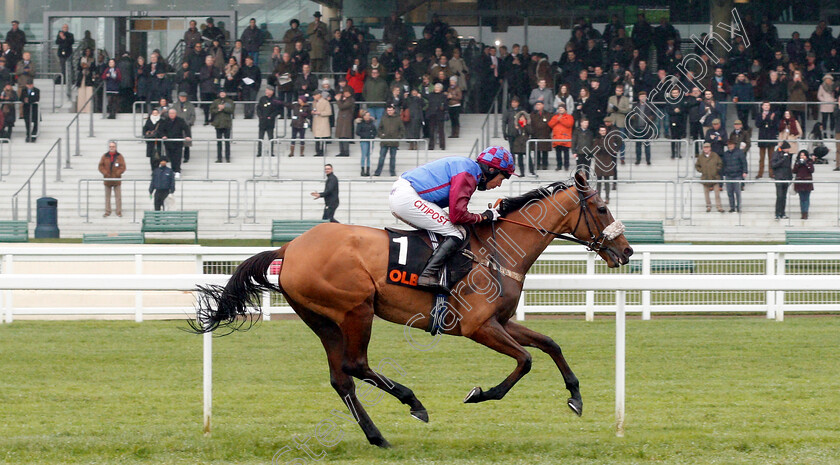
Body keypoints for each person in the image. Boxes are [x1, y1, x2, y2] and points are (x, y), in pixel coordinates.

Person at [389, 147, 514, 292]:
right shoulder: (469, 173)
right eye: (501, 179)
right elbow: (458, 216)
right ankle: (427, 275)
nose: (499, 184)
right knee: (457, 233)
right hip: (407, 197)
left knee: (449, 229)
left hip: (403, 193)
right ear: (491, 170)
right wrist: (484, 216)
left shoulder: (469, 168)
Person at [157, 108, 192, 178]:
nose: (171, 115)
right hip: (168, 142)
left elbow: (186, 128)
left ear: (175, 114)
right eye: (170, 113)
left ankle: (177, 171)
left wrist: (188, 136)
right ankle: (173, 170)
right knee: (171, 157)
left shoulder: (180, 120)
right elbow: (160, 130)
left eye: (173, 113)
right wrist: (163, 136)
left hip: (178, 142)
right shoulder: (165, 121)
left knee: (178, 157)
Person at [375, 104, 405, 176]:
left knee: (392, 158)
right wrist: (381, 135)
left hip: (394, 141)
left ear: (394, 110)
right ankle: (378, 172)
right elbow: (379, 128)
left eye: (391, 110)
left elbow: (402, 129)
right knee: (382, 158)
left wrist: (399, 137)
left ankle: (392, 172)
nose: (389, 112)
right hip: (384, 141)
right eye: (388, 110)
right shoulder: (383, 118)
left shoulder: (398, 119)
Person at [98, 141, 126, 217]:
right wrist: (105, 173)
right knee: (107, 197)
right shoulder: (104, 156)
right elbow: (100, 166)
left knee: (118, 197)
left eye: (113, 146)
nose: (111, 148)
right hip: (107, 180)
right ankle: (107, 211)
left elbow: (123, 167)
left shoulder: (120, 156)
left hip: (116, 180)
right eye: (110, 146)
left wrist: (118, 173)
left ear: (115, 147)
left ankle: (119, 212)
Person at [695, 142, 724, 213]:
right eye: (704, 147)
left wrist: (716, 169)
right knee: (706, 193)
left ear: (710, 148)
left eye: (707, 147)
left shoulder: (715, 155)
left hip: (715, 177)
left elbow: (720, 163)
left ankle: (719, 206)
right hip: (705, 177)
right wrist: (702, 170)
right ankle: (708, 206)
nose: (706, 149)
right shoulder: (701, 157)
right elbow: (697, 165)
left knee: (717, 194)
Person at [721, 139, 748, 212]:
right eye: (728, 144)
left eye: (731, 144)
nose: (729, 146)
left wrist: (745, 171)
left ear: (734, 145)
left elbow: (744, 162)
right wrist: (724, 172)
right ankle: (732, 207)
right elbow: (723, 164)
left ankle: (739, 207)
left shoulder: (739, 152)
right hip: (728, 175)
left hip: (737, 175)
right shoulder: (725, 154)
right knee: (729, 192)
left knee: (737, 192)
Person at [256, 87, 282, 157]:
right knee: (260, 137)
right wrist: (260, 116)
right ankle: (259, 152)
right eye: (266, 90)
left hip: (270, 122)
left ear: (272, 91)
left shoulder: (275, 100)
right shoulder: (262, 99)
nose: (266, 92)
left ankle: (271, 152)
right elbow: (258, 108)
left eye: (268, 90)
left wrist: (271, 116)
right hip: (262, 121)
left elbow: (277, 110)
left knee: (271, 137)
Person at [756, 102, 779, 178]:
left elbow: (776, 126)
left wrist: (771, 120)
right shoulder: (759, 115)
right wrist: (763, 118)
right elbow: (757, 125)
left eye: (768, 105)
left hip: (771, 137)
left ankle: (771, 173)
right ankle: (760, 173)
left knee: (771, 157)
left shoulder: (773, 115)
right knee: (761, 158)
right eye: (765, 105)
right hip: (762, 137)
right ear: (762, 106)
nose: (766, 107)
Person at [210, 90, 234, 163]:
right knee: (219, 142)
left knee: (227, 142)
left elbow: (231, 110)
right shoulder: (215, 101)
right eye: (221, 93)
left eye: (224, 93)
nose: (222, 94)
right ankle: (219, 158)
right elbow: (212, 110)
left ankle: (227, 157)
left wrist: (224, 108)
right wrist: (218, 109)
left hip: (227, 124)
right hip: (218, 124)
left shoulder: (229, 101)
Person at [548, 104, 574, 171]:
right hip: (557, 138)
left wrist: (561, 119)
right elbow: (550, 124)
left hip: (565, 138)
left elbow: (569, 124)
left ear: (565, 109)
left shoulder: (569, 117)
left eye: (562, 108)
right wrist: (557, 119)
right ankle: (559, 166)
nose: (560, 110)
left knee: (566, 153)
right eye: (559, 108)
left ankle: (566, 166)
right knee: (558, 154)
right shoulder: (555, 117)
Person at [172, 92, 196, 162]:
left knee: (186, 142)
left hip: (186, 126)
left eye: (184, 97)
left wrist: (190, 122)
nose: (182, 98)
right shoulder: (175, 105)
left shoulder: (190, 105)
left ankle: (186, 157)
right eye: (181, 97)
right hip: (177, 126)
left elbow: (193, 115)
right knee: (177, 142)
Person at [772, 141, 793, 219]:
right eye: (787, 149)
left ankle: (782, 213)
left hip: (786, 177)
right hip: (779, 177)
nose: (788, 150)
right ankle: (777, 213)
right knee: (779, 196)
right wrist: (782, 159)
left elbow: (788, 167)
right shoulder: (776, 154)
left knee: (784, 197)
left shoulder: (787, 155)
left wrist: (790, 178)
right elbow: (773, 165)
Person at [530, 100, 552, 170]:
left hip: (545, 134)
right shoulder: (533, 114)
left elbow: (550, 125)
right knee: (537, 151)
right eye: (536, 105)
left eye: (539, 104)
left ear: (543, 105)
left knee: (545, 151)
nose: (537, 106)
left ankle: (545, 165)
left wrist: (547, 131)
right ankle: (537, 164)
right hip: (536, 134)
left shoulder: (548, 114)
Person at [793, 150, 815, 219]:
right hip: (799, 182)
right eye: (801, 155)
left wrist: (806, 164)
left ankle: (805, 212)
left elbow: (812, 170)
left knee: (806, 198)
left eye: (803, 155)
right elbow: (794, 171)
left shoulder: (809, 162)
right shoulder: (797, 162)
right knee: (801, 198)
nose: (802, 157)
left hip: (807, 182)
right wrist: (798, 164)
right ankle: (803, 212)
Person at [199, 55, 220, 125]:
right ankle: (206, 119)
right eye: (208, 60)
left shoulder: (216, 69)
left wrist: (216, 87)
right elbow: (201, 78)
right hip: (205, 90)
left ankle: (213, 119)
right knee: (206, 106)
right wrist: (208, 75)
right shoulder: (203, 68)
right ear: (205, 61)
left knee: (213, 106)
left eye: (211, 60)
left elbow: (217, 78)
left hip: (213, 90)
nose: (210, 62)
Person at [334, 88, 355, 157]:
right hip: (341, 120)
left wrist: (338, 100)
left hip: (346, 120)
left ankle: (346, 151)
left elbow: (342, 106)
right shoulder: (344, 99)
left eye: (347, 92)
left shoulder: (351, 100)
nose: (345, 94)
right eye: (345, 92)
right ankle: (342, 151)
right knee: (341, 136)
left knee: (345, 136)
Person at [426, 83, 447, 150]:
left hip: (440, 114)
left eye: (438, 87)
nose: (436, 89)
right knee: (431, 131)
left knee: (441, 131)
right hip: (432, 114)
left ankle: (442, 146)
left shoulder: (443, 96)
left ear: (441, 89)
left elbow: (446, 105)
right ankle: (431, 146)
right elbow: (425, 96)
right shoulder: (431, 95)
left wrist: (443, 107)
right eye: (435, 87)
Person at [511, 110, 533, 176]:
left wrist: (525, 125)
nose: (522, 119)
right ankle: (522, 172)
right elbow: (513, 134)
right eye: (520, 117)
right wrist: (517, 129)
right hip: (518, 144)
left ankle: (532, 171)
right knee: (520, 159)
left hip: (526, 143)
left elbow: (531, 132)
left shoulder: (528, 125)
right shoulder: (516, 126)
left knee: (529, 158)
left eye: (523, 117)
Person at [356, 110, 377, 176]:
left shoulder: (372, 123)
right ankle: (362, 169)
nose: (367, 117)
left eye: (368, 115)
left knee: (369, 155)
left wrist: (373, 135)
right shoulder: (360, 123)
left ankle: (368, 169)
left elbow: (375, 131)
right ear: (363, 116)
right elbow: (357, 132)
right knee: (364, 155)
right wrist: (365, 135)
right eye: (366, 115)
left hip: (370, 140)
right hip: (364, 140)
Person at [311, 91, 332, 157]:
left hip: (323, 121)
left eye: (315, 95)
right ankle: (317, 151)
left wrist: (319, 113)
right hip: (316, 121)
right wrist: (313, 112)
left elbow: (329, 112)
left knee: (323, 137)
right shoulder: (314, 102)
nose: (313, 97)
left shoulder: (325, 102)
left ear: (319, 95)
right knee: (316, 137)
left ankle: (322, 151)